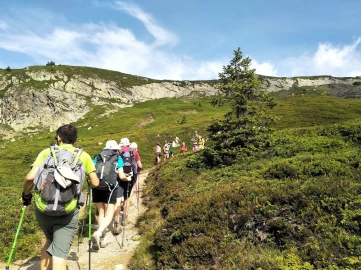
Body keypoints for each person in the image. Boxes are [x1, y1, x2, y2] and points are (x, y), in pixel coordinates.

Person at [22, 124, 100, 270]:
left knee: (49, 241)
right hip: (68, 211)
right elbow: (95, 183)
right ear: (75, 139)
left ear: (58, 138)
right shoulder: (83, 156)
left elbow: (29, 178)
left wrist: (26, 196)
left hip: (44, 209)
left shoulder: (47, 152)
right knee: (60, 252)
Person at [91, 140, 127, 250]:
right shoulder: (117, 158)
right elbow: (121, 176)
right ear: (115, 149)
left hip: (97, 186)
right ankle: (98, 233)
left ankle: (103, 238)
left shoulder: (97, 157)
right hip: (111, 188)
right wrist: (128, 178)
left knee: (101, 212)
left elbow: (91, 171)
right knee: (109, 213)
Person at [116, 138, 142, 226]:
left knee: (118, 198)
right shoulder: (134, 151)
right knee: (127, 196)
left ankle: (116, 221)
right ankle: (124, 217)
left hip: (119, 177)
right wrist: (137, 172)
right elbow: (140, 165)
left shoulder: (117, 151)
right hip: (130, 177)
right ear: (128, 144)